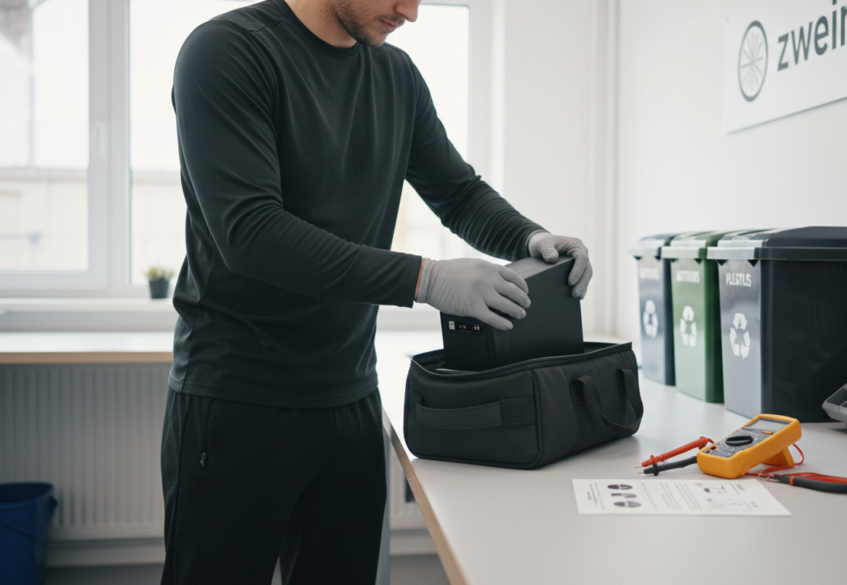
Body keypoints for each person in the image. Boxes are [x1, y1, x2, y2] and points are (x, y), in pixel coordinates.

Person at [160, 0, 593, 583]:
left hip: (351, 401)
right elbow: (251, 233)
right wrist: (426, 279)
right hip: (238, 403)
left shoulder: (395, 74)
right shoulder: (228, 52)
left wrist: (531, 236)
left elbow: (457, 192)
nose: (411, 12)